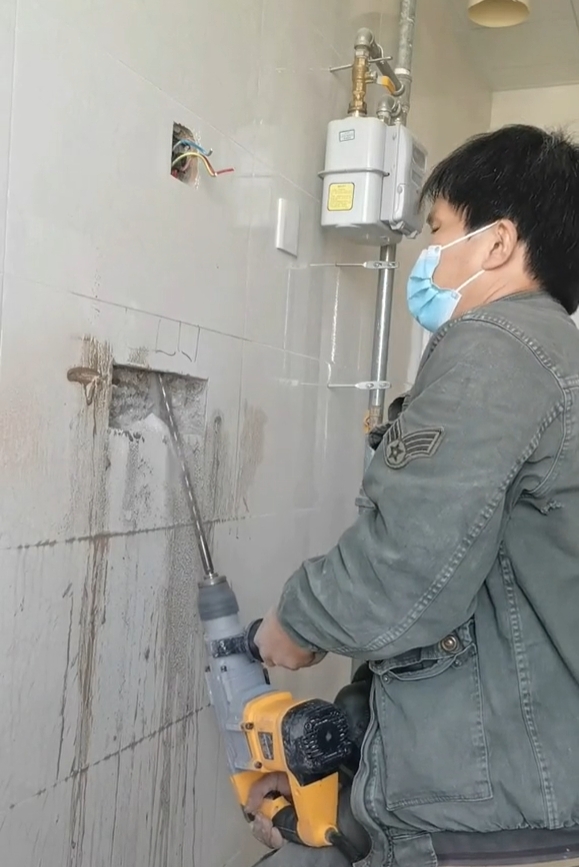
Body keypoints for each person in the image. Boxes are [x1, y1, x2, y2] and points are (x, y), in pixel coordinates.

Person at [247, 125, 579, 867]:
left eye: (438, 231)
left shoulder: (497, 346)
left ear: (497, 243)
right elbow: (473, 595)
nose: (427, 255)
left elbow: (409, 566)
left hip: (498, 815)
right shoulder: (555, 354)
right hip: (528, 793)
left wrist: (296, 620)